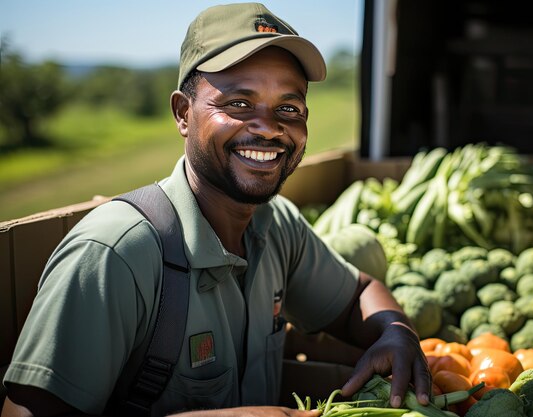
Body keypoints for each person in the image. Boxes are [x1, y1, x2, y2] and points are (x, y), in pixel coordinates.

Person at [1, 3, 431, 416]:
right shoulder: (116, 254)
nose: (268, 126)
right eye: (238, 103)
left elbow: (356, 294)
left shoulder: (275, 225)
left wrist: (395, 332)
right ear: (183, 113)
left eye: (289, 107)